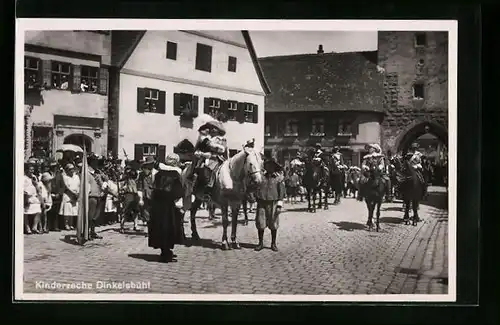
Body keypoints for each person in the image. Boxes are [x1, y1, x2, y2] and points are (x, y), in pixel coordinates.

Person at [149, 153, 185, 263]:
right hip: (169, 204)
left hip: (157, 203)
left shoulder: (156, 171)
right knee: (169, 227)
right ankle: (166, 253)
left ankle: (164, 251)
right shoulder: (178, 172)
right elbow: (179, 190)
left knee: (159, 226)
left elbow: (153, 185)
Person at [254, 157, 285, 252]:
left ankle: (273, 243)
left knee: (273, 223)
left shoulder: (278, 178)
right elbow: (256, 187)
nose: (269, 167)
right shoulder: (261, 177)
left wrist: (279, 205)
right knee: (260, 223)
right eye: (267, 165)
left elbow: (281, 192)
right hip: (261, 202)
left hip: (273, 203)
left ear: (274, 167)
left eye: (271, 166)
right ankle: (260, 243)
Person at [87, 154, 107, 239]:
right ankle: (86, 232)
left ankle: (93, 231)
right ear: (91, 162)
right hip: (91, 196)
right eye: (95, 161)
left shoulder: (98, 172)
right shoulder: (87, 172)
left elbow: (104, 181)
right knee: (90, 216)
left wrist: (104, 181)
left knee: (96, 216)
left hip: (99, 195)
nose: (96, 163)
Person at [136, 156, 156, 229]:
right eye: (149, 164)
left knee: (155, 214)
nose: (150, 165)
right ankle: (149, 229)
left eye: (152, 164)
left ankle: (154, 228)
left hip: (155, 197)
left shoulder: (156, 173)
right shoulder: (142, 174)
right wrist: (140, 198)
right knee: (146, 214)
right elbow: (139, 187)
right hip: (146, 197)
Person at [23, 160, 42, 234]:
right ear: (26, 170)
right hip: (26, 196)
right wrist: (26, 198)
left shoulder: (34, 177)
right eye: (30, 169)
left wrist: (35, 183)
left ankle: (34, 227)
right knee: (25, 212)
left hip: (34, 196)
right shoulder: (23, 178)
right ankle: (27, 228)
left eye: (33, 169)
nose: (32, 171)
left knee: (38, 210)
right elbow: (23, 189)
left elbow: (37, 187)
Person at [59, 163, 80, 231]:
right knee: (67, 210)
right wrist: (73, 193)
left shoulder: (76, 177)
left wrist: (77, 193)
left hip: (75, 194)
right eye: (70, 169)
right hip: (68, 194)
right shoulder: (65, 177)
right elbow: (66, 187)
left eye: (72, 169)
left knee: (73, 210)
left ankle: (71, 224)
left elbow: (79, 185)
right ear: (67, 170)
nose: (72, 171)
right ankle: (66, 224)